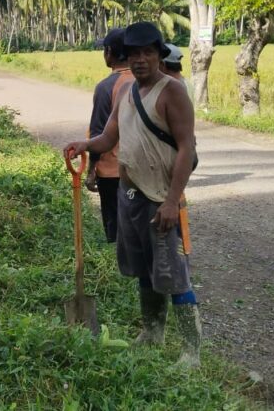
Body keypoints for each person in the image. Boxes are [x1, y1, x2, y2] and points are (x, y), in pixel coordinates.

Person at [64, 22, 201, 368]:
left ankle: (191, 352)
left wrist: (172, 200)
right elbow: (108, 138)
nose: (140, 60)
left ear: (158, 55)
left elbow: (186, 149)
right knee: (143, 268)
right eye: (134, 54)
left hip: (161, 199)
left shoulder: (172, 93)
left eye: (148, 53)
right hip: (131, 196)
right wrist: (84, 144)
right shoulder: (128, 93)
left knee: (174, 273)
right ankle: (152, 332)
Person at [86, 28, 133, 243]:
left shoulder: (106, 87)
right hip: (142, 169)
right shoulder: (148, 81)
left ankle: (118, 267)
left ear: (109, 52)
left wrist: (91, 170)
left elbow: (99, 133)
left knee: (115, 226)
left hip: (112, 170)